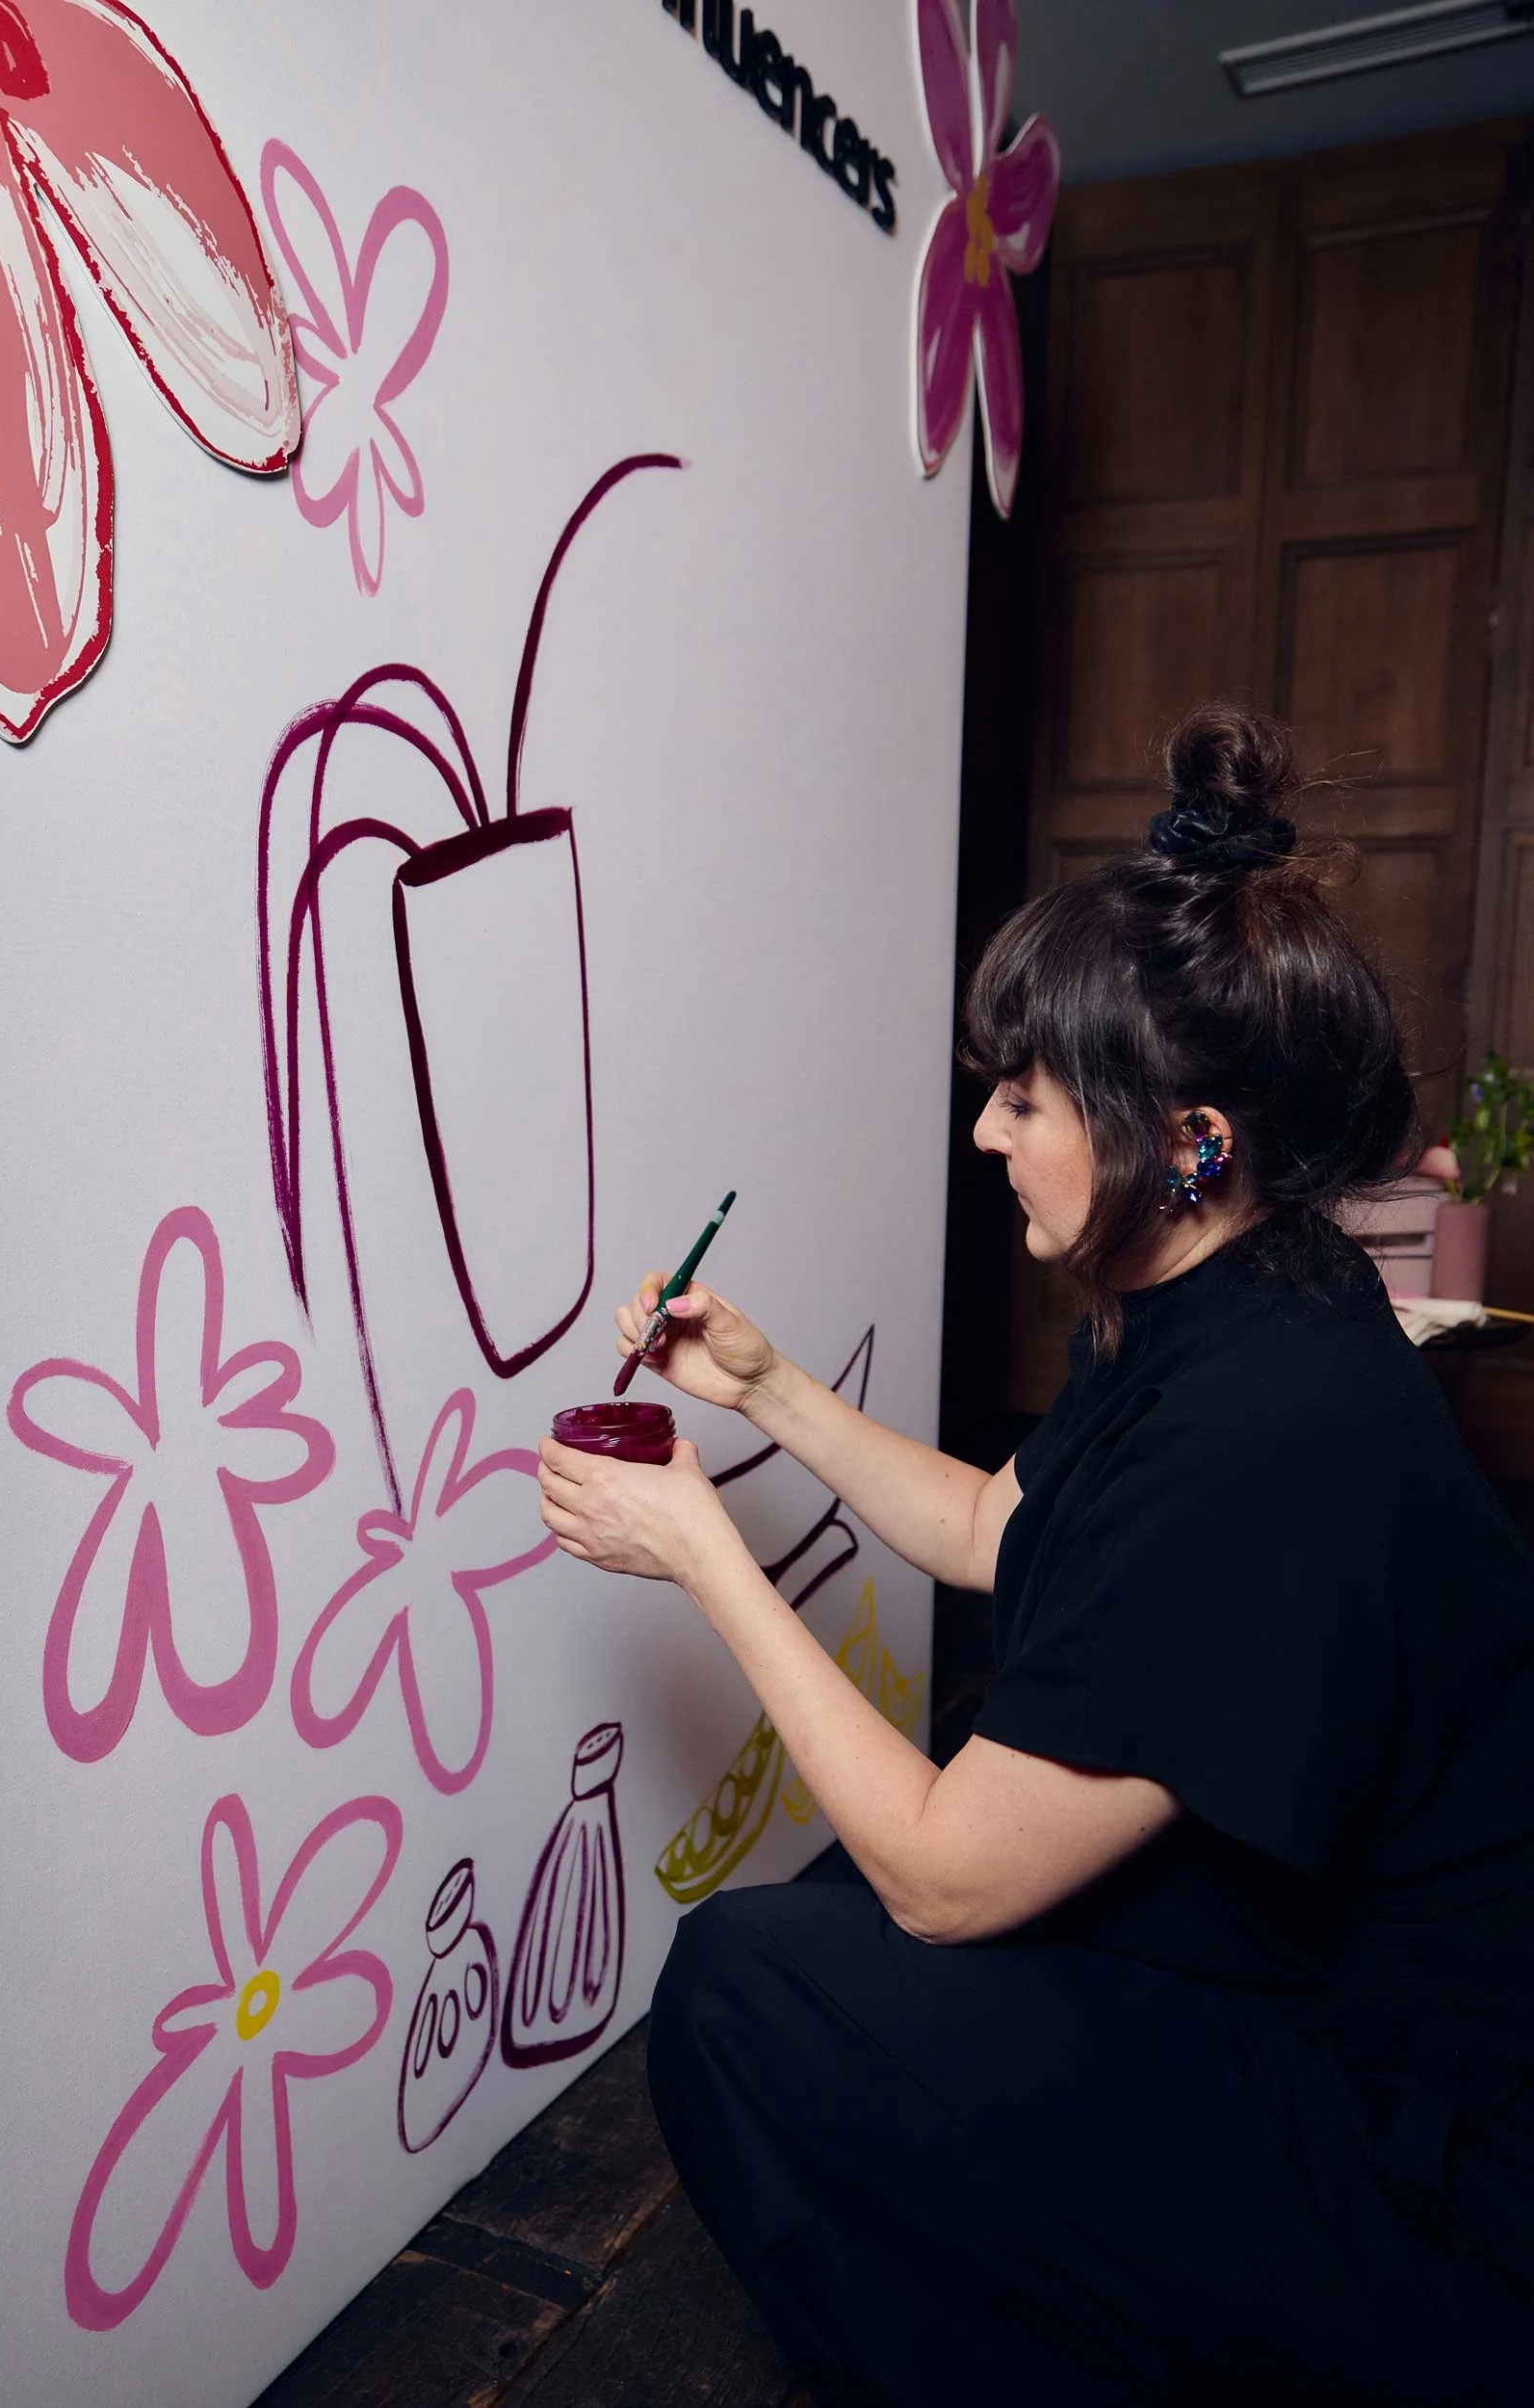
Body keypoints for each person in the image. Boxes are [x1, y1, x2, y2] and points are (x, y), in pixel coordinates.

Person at [535, 704, 1534, 2405]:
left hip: (1419, 2150)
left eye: (1024, 1099)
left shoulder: (1268, 1426)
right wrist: (768, 1391)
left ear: (1189, 1137)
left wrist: (705, 1553)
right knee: (830, 1921)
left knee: (752, 1984)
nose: (987, 1135)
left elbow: (947, 1877)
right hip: (1316, 1970)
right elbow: (1000, 1529)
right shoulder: (1231, 1285)